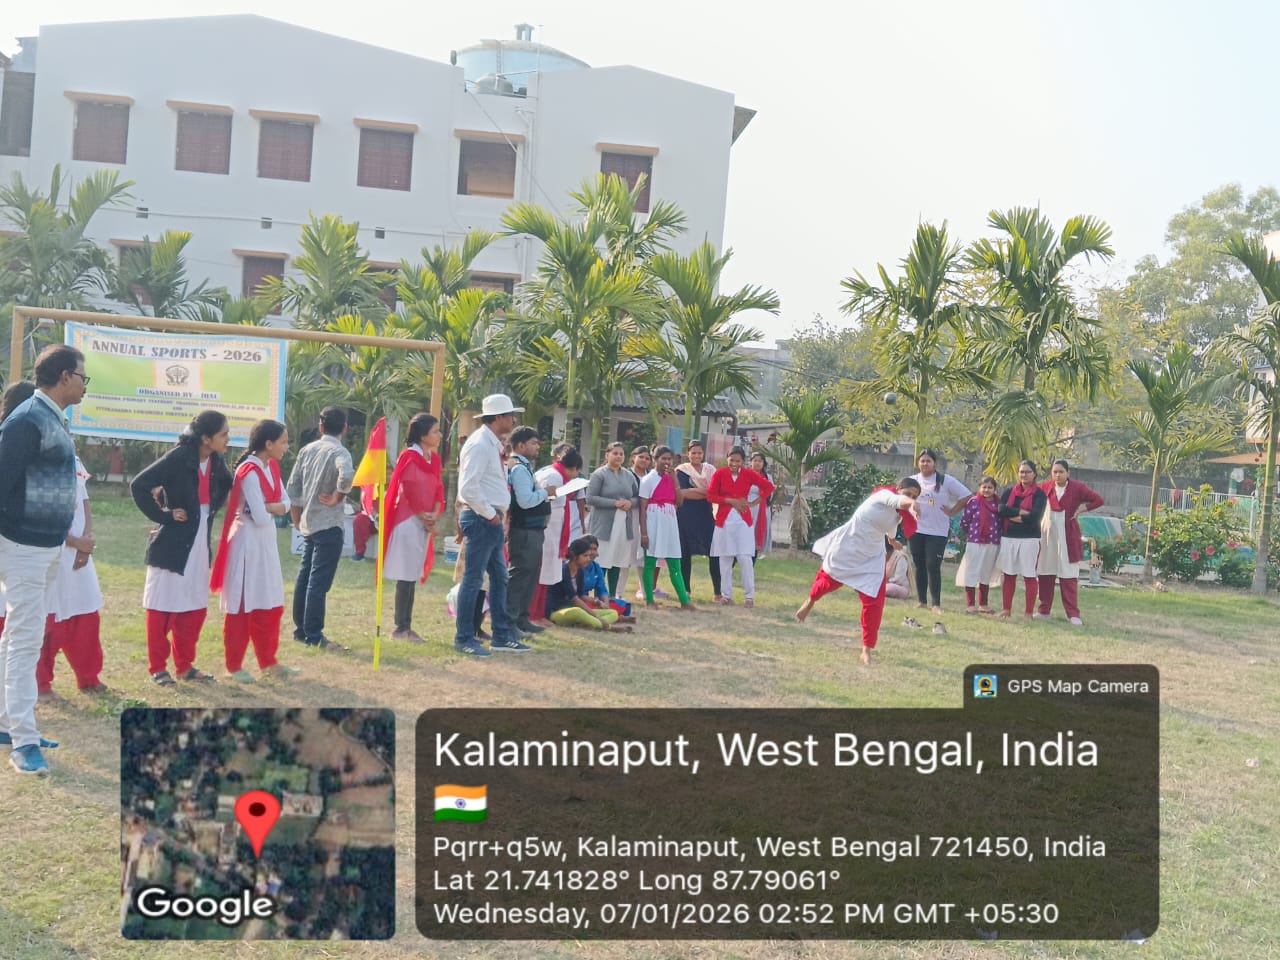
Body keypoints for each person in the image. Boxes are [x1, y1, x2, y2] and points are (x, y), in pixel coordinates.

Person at [0, 345, 86, 776]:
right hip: (24, 548)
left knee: (18, 637)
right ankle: (24, 741)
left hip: (45, 546)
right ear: (65, 376)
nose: (85, 386)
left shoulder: (51, 417)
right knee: (25, 640)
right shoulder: (27, 420)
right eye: (83, 378)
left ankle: (5, 723)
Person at [131, 410, 233, 685]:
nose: (228, 438)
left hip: (199, 544)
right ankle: (157, 668)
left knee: (194, 606)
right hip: (172, 546)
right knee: (162, 607)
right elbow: (139, 485)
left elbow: (227, 484)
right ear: (206, 438)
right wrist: (164, 515)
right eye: (223, 434)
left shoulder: (217, 460)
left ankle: (185, 666)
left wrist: (211, 509)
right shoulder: (178, 457)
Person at [795, 479, 922, 666]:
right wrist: (912, 503)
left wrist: (892, 541)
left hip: (871, 557)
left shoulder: (898, 515)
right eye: (908, 493)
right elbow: (896, 501)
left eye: (914, 496)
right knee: (826, 584)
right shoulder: (884, 495)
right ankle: (810, 602)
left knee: (874, 602)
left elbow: (890, 527)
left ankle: (866, 649)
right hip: (848, 547)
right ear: (898, 489)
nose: (910, 498)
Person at [211, 419, 299, 682]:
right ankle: (234, 665)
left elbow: (286, 502)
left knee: (269, 602)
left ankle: (269, 661)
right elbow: (260, 517)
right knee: (242, 605)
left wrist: (269, 506)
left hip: (266, 544)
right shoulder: (248, 471)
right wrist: (274, 508)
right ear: (268, 444)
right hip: (247, 544)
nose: (286, 447)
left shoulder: (271, 466)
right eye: (283, 442)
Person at [454, 394, 530, 655]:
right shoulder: (479, 444)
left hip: (489, 518)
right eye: (510, 415)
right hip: (482, 518)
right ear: (498, 417)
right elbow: (468, 487)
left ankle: (500, 635)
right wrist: (490, 515)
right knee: (474, 580)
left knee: (499, 578)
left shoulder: (491, 443)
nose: (514, 420)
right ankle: (464, 638)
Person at [37, 452, 106, 699]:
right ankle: (40, 684)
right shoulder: (32, 461)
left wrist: (85, 542)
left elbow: (84, 502)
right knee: (48, 622)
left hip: (78, 552)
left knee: (86, 614)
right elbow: (39, 516)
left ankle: (89, 677)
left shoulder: (74, 460)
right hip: (48, 553)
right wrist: (75, 542)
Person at [287, 406, 354, 649]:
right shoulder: (340, 451)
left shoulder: (307, 450)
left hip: (309, 522)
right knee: (318, 582)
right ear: (344, 428)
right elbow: (347, 475)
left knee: (305, 577)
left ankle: (301, 629)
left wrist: (297, 518)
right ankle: (314, 635)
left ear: (321, 426)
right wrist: (338, 496)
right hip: (329, 523)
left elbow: (293, 487)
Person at [382, 414, 446, 644]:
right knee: (406, 575)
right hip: (409, 520)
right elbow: (407, 489)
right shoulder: (409, 456)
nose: (439, 435)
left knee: (412, 574)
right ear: (422, 435)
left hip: (424, 521)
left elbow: (438, 489)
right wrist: (422, 516)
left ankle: (405, 625)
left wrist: (434, 514)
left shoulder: (434, 459)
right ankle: (401, 627)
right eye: (435, 431)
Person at [1036, 460, 1104, 626]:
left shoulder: (1077, 488)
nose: (1058, 475)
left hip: (1067, 536)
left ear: (1068, 473)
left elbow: (1098, 500)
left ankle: (1073, 614)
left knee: (1068, 574)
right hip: (1047, 537)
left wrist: (1081, 510)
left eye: (1061, 472)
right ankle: (1043, 610)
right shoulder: (1045, 488)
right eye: (1055, 472)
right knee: (1045, 573)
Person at [708, 446, 774, 607]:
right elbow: (710, 496)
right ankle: (726, 595)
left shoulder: (748, 474)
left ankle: (749, 596)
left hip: (743, 521)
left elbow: (769, 487)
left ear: (743, 462)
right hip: (724, 521)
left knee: (745, 558)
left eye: (738, 461)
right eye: (731, 461)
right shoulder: (720, 474)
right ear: (727, 459)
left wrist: (756, 502)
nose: (734, 464)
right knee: (725, 558)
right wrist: (730, 501)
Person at [505, 426, 554, 638]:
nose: (537, 447)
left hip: (532, 528)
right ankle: (510, 620)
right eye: (533, 443)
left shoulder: (524, 466)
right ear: (520, 445)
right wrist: (545, 493)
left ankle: (522, 618)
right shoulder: (518, 468)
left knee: (530, 574)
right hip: (524, 529)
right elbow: (525, 501)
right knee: (521, 575)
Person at [910, 449, 972, 615]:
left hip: (937, 531)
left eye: (928, 461)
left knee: (932, 565)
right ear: (918, 463)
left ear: (935, 463)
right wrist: (911, 504)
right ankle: (922, 601)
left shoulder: (946, 481)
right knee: (919, 564)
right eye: (922, 461)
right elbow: (900, 496)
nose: (925, 464)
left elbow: (966, 496)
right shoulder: (913, 480)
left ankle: (936, 604)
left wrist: (953, 511)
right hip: (916, 529)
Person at [639, 446, 695, 609]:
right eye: (663, 458)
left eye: (669, 459)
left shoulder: (672, 478)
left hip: (670, 522)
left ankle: (684, 601)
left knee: (675, 563)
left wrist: (675, 481)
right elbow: (642, 508)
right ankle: (650, 600)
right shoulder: (647, 480)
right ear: (655, 460)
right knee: (650, 562)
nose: (667, 462)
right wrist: (644, 533)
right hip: (653, 521)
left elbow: (680, 502)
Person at [534, 445, 582, 626]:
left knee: (547, 574)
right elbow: (545, 498)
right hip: (547, 528)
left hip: (555, 528)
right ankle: (534, 614)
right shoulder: (553, 476)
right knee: (541, 574)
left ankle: (540, 614)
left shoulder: (556, 474)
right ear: (574, 468)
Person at [995, 460, 1047, 620]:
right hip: (1009, 537)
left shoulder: (1039, 494)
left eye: (1027, 472)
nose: (1024, 475)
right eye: (1021, 472)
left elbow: (1035, 517)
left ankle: (1028, 613)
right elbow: (1001, 510)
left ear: (1034, 474)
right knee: (1009, 574)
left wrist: (1012, 515)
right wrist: (1021, 512)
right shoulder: (1010, 491)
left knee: (1029, 575)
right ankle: (1006, 610)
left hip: (1029, 539)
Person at [587, 442, 639, 600]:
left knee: (618, 559)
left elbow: (637, 497)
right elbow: (591, 498)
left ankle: (612, 595)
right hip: (604, 524)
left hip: (623, 524)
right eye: (615, 453)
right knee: (602, 559)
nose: (618, 456)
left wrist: (630, 503)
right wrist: (614, 503)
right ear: (607, 455)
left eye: (621, 454)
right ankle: (599, 595)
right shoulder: (599, 474)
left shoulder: (629, 475)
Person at [546, 538, 632, 632]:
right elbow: (575, 599)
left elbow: (581, 595)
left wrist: (597, 602)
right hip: (557, 612)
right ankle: (610, 627)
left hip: (572, 608)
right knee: (578, 612)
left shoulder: (580, 572)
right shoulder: (564, 570)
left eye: (588, 556)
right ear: (575, 556)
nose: (588, 559)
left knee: (613, 613)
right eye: (585, 556)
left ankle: (589, 623)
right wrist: (597, 616)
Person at [675, 441, 722, 600]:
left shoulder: (711, 470)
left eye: (699, 453)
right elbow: (682, 493)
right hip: (686, 515)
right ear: (688, 454)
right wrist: (705, 492)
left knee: (714, 552)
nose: (696, 456)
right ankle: (686, 590)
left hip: (706, 516)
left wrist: (697, 491)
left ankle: (717, 592)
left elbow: (715, 492)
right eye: (693, 453)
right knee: (685, 553)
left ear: (703, 454)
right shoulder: (682, 471)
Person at [955, 476, 1002, 614]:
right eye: (984, 487)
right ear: (979, 488)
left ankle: (983, 605)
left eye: (990, 487)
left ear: (995, 489)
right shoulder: (974, 502)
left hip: (992, 542)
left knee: (986, 573)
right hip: (975, 542)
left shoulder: (999, 504)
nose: (987, 490)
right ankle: (970, 605)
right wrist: (975, 533)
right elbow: (965, 522)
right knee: (972, 571)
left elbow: (1001, 523)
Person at [749, 452, 774, 558]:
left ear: (763, 463)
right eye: (755, 460)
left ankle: (753, 558)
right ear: (750, 462)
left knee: (756, 541)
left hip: (763, 511)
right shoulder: (745, 475)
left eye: (760, 461)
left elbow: (770, 494)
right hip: (748, 510)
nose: (757, 463)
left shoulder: (768, 477)